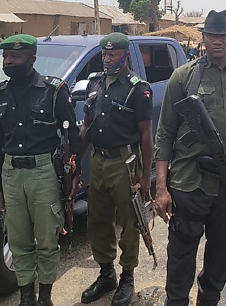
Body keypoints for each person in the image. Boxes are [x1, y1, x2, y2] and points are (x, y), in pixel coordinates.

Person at [154, 10, 226, 306]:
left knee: (221, 255)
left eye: (223, 35)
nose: (217, 41)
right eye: (211, 35)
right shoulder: (183, 77)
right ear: (203, 38)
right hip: (188, 184)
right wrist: (160, 188)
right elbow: (165, 134)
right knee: (181, 257)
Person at [0, 34, 82, 306]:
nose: (8, 62)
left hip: (44, 173)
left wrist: (74, 176)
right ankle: (26, 296)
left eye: (14, 57)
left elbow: (72, 137)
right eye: (5, 57)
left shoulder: (53, 91)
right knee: (18, 240)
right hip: (11, 174)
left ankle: (46, 297)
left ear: (31, 59)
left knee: (46, 240)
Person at [80, 32, 153, 306]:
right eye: (104, 55)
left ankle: (127, 277)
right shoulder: (95, 83)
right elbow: (87, 125)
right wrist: (77, 163)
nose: (107, 59)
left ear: (124, 55)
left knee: (130, 223)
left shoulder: (137, 88)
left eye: (112, 55)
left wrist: (146, 177)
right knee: (97, 220)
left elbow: (146, 134)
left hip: (125, 165)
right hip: (98, 162)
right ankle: (106, 273)